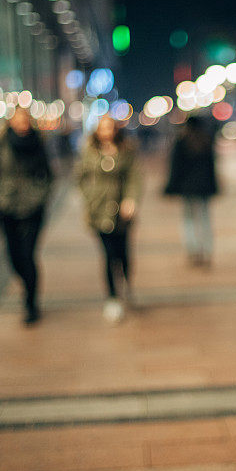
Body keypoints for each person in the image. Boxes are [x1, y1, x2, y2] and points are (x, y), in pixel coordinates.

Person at [0, 107, 53, 325]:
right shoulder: (2, 142)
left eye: (25, 119)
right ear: (11, 122)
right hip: (8, 206)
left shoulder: (38, 142)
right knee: (14, 257)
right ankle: (27, 285)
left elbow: (49, 175)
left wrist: (39, 197)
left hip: (33, 209)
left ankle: (31, 303)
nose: (22, 122)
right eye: (18, 119)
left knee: (28, 255)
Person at [77, 115, 142, 322]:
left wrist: (130, 199)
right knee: (107, 254)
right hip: (99, 210)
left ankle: (126, 284)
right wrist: (89, 197)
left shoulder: (126, 150)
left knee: (122, 252)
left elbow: (135, 177)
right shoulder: (89, 151)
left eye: (110, 128)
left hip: (121, 212)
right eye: (102, 128)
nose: (106, 132)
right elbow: (80, 178)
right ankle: (112, 297)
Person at [164, 116, 218, 267]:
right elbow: (212, 167)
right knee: (205, 218)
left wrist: (170, 187)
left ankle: (193, 250)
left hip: (187, 188)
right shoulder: (206, 141)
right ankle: (207, 250)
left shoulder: (182, 142)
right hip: (204, 187)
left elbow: (175, 168)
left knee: (188, 219)